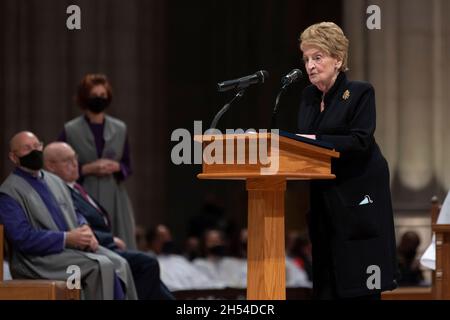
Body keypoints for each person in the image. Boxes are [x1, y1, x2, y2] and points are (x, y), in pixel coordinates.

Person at [296, 22, 398, 299]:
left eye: (318, 57)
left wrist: (314, 141)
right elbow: (304, 142)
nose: (310, 65)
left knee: (358, 282)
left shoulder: (360, 92)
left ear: (338, 59)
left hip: (357, 194)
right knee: (327, 284)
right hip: (324, 197)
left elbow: (360, 140)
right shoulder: (307, 97)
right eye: (306, 58)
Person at [0, 131, 137, 300]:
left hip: (70, 249)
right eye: (27, 148)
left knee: (121, 263)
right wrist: (66, 238)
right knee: (100, 266)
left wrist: (85, 228)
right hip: (37, 260)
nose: (34, 151)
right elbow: (21, 238)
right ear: (13, 157)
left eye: (37, 146)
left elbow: (75, 211)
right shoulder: (9, 192)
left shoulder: (54, 180)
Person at [43, 142, 174, 299]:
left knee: (153, 280)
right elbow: (74, 226)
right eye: (67, 161)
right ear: (50, 166)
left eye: (75, 158)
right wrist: (109, 238)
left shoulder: (76, 187)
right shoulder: (57, 192)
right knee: (147, 263)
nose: (74, 164)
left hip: (106, 247)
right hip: (92, 250)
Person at [58, 73, 136, 249]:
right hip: (84, 191)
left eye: (103, 96)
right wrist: (86, 169)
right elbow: (56, 164)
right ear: (84, 98)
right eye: (94, 96)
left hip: (115, 194)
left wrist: (117, 167)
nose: (99, 99)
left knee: (121, 243)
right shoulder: (70, 130)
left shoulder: (120, 128)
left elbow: (127, 166)